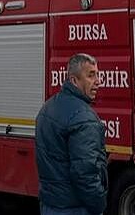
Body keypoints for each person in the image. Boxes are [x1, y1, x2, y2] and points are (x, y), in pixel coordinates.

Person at [34, 53, 107, 215]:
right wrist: (99, 206)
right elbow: (85, 174)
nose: (98, 81)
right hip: (75, 208)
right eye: (91, 75)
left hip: (50, 205)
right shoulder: (83, 117)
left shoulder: (47, 108)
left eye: (98, 75)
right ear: (74, 80)